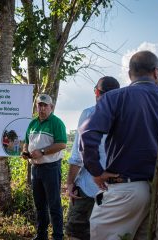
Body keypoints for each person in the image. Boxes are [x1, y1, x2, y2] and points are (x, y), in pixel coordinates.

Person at [79, 50, 158, 239]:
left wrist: (96, 171)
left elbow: (88, 133)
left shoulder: (115, 98)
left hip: (126, 190)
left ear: (130, 74)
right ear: (156, 72)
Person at [65, 76, 120, 240]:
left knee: (77, 231)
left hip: (89, 186)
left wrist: (69, 183)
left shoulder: (89, 113)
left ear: (97, 92)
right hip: (116, 190)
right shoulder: (125, 117)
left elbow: (78, 155)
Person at [22, 94, 67, 240]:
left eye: (45, 106)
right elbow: (26, 141)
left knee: (54, 204)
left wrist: (42, 152)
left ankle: (58, 236)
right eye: (39, 105)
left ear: (51, 107)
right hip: (36, 168)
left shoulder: (56, 123)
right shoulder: (33, 123)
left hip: (51, 168)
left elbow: (61, 144)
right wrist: (25, 151)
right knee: (39, 204)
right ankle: (41, 235)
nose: (42, 108)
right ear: (36, 106)